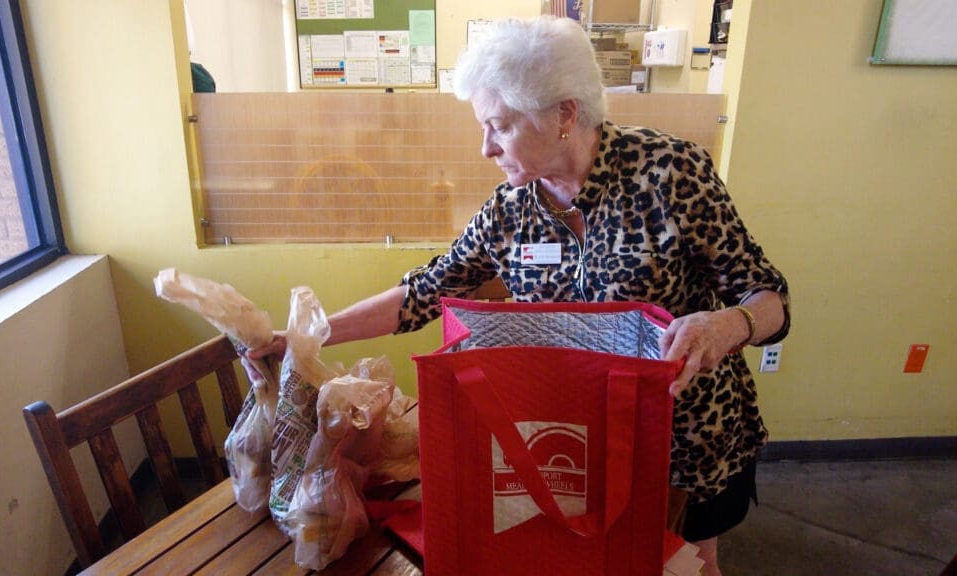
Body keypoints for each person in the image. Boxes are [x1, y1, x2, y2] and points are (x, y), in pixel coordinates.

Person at [250, 15, 789, 575]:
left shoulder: (670, 173)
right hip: (570, 443)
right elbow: (425, 292)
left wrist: (728, 325)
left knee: (687, 570)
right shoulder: (511, 211)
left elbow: (768, 296)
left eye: (499, 126)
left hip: (682, 442)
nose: (485, 147)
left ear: (564, 115)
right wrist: (306, 336)